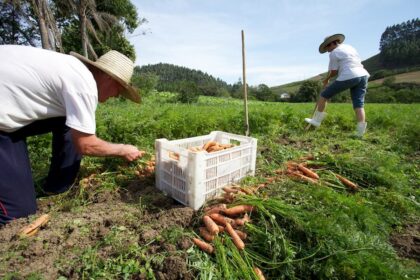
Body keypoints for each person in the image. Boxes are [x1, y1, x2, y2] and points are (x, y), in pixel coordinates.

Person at [0, 45, 145, 225]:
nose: (116, 96)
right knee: (17, 216)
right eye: (119, 89)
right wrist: (123, 149)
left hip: (6, 112)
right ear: (109, 78)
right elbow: (86, 144)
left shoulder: (73, 70)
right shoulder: (83, 85)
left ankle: (56, 188)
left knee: (68, 121)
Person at [304, 34, 370, 137]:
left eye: (327, 48)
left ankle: (316, 121)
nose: (328, 51)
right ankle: (360, 133)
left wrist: (327, 79)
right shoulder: (350, 47)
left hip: (349, 75)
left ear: (331, 44)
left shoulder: (334, 53)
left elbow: (334, 71)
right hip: (363, 75)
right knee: (359, 104)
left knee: (324, 96)